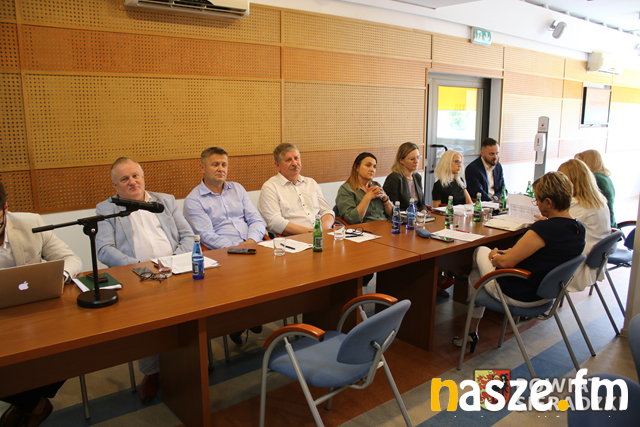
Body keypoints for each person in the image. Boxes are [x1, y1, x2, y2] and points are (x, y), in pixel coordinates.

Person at [96, 157, 194, 404]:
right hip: (137, 278)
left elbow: (187, 235)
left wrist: (173, 262)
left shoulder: (165, 201)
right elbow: (104, 249)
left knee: (191, 312)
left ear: (143, 177)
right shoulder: (107, 209)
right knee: (149, 321)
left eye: (135, 176)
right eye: (124, 179)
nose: (132, 182)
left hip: (175, 271)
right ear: (115, 186)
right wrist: (139, 268)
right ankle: (152, 373)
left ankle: (189, 362)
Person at [454, 172, 585, 353]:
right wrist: (511, 252)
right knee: (476, 277)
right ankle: (470, 331)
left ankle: (470, 330)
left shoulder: (544, 229)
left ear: (549, 202)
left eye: (537, 200)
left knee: (479, 252)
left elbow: (505, 263)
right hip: (546, 295)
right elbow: (548, 254)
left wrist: (494, 256)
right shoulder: (578, 228)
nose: (537, 204)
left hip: (520, 293)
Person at [0, 181, 82, 427]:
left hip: (37, 316)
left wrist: (59, 277)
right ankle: (35, 405)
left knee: (73, 347)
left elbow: (70, 258)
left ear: (5, 209)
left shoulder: (30, 223)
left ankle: (27, 402)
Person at [183, 147, 266, 344]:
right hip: (224, 256)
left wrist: (251, 241)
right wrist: (238, 248)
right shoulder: (193, 200)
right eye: (215, 164)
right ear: (202, 168)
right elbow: (206, 235)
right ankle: (243, 319)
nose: (221, 169)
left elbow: (256, 220)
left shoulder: (238, 189)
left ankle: (253, 315)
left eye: (224, 164)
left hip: (254, 246)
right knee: (242, 278)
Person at [258, 143, 334, 236]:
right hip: (294, 239)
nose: (294, 163)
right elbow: (275, 222)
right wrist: (310, 233)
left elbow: (327, 211)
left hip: (321, 235)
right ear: (277, 165)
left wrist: (324, 227)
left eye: (296, 158)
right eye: (288, 160)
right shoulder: (270, 187)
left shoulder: (311, 183)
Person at [557, 159, 610, 293]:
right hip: (595, 259)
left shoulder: (577, 204)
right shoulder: (599, 200)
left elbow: (558, 229)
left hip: (577, 264)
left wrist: (545, 222)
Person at [335, 152, 393, 224]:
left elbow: (393, 215)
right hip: (364, 228)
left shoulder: (376, 185)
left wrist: (385, 199)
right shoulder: (345, 190)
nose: (372, 170)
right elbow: (351, 219)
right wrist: (367, 197)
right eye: (368, 165)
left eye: (374, 166)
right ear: (356, 167)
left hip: (385, 225)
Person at [575, 150, 616, 227]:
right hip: (607, 222)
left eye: (580, 163)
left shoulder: (596, 179)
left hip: (604, 224)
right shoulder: (604, 177)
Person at [382, 142, 426, 211]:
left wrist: (424, 211)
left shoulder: (417, 177)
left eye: (418, 157)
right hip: (403, 215)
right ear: (401, 160)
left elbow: (422, 203)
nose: (416, 161)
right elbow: (393, 207)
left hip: (418, 215)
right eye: (412, 159)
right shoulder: (394, 178)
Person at [464, 137, 506, 202]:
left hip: (496, 201)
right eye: (492, 154)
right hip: (482, 203)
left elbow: (503, 189)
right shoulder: (472, 168)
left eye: (497, 153)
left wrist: (495, 198)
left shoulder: (498, 166)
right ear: (482, 153)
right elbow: (478, 192)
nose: (495, 157)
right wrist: (492, 201)